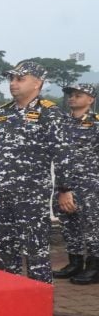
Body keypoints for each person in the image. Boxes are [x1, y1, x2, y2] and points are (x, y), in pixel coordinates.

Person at [0, 60, 74, 283]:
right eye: (11, 79)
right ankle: (9, 301)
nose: (13, 83)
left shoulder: (49, 113)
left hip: (32, 196)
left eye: (20, 79)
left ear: (37, 83)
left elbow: (63, 154)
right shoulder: (2, 113)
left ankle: (39, 306)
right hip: (4, 194)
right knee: (5, 250)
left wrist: (65, 189)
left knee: (35, 252)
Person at [52, 83, 99, 284]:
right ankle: (75, 262)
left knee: (91, 226)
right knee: (69, 224)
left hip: (90, 185)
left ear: (91, 99)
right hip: (64, 184)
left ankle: (94, 267)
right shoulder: (61, 123)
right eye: (71, 95)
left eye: (78, 95)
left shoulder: (96, 123)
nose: (72, 98)